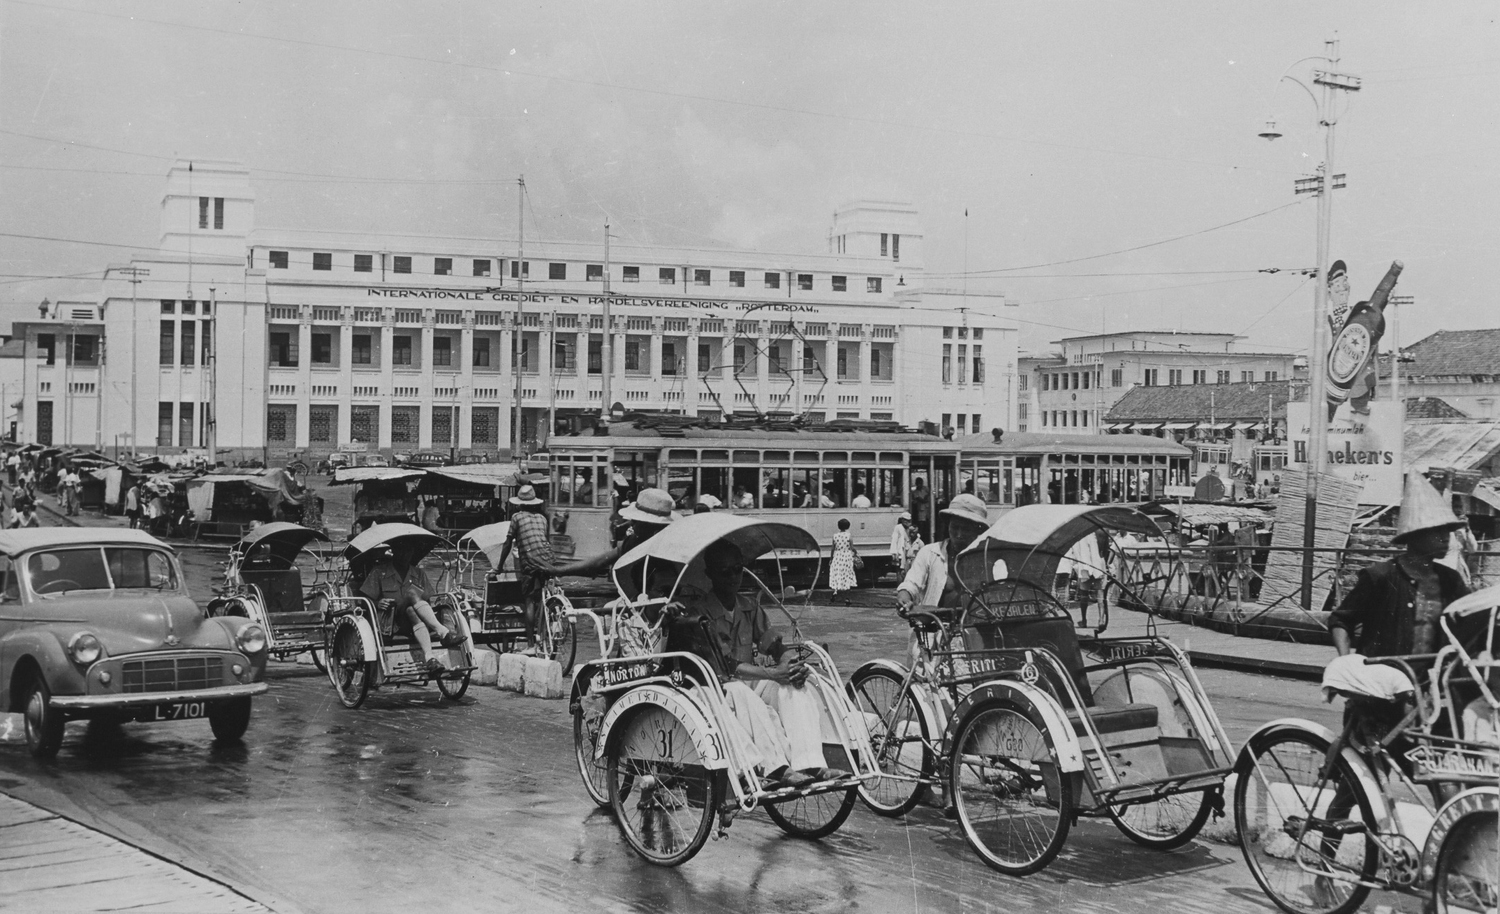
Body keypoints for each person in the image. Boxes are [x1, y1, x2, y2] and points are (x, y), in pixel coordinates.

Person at [667, 539, 846, 788]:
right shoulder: (699, 613)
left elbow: (775, 646)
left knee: (794, 687)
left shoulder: (749, 606)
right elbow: (725, 666)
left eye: (737, 569)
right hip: (715, 688)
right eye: (725, 572)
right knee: (742, 692)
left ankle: (811, 764)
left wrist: (790, 666)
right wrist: (773, 673)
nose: (733, 577)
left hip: (746, 682)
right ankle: (776, 768)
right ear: (710, 574)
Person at [1330, 474, 1470, 660]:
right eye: (1437, 532)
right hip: (1383, 672)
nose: (1446, 539)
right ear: (1414, 536)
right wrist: (1345, 662)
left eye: (1448, 532)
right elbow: (1341, 620)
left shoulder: (1450, 580)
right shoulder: (1381, 576)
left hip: (1431, 674)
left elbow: (1472, 619)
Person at [358, 543, 464, 672]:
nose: (405, 555)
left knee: (411, 610)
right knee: (412, 594)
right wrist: (377, 603)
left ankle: (430, 658)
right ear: (394, 552)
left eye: (408, 551)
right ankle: (443, 632)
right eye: (401, 551)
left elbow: (427, 602)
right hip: (389, 623)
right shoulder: (379, 572)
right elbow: (362, 601)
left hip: (412, 621)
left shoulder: (418, 573)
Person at [497, 484, 565, 654]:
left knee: (528, 601)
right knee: (542, 596)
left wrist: (499, 566)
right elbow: (543, 541)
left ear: (520, 503)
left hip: (531, 562)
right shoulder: (542, 518)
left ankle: (531, 645)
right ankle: (544, 633)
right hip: (548, 561)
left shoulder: (516, 517)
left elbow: (507, 543)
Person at [896, 494, 991, 612]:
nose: (959, 535)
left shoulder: (987, 558)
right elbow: (912, 583)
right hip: (936, 621)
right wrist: (904, 595)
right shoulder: (929, 553)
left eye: (966, 529)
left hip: (977, 621)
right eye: (955, 527)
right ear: (948, 526)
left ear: (978, 530)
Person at [828, 519, 858, 602]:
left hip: (837, 556)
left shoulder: (835, 536)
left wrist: (831, 558)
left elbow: (832, 548)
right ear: (848, 526)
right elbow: (852, 548)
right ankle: (847, 597)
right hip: (847, 557)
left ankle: (835, 592)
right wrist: (855, 553)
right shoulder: (849, 536)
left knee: (837, 574)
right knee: (847, 575)